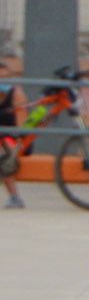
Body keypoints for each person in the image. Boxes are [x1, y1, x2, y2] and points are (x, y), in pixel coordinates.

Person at [1, 59, 28, 210]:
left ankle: (15, 198)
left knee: (4, 153)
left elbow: (21, 129)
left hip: (12, 139)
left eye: (5, 78)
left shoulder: (16, 95)